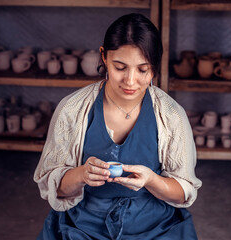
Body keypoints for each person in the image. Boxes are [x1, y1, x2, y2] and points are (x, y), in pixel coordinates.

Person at [34, 13, 202, 240]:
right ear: (103, 56)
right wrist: (82, 174)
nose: (131, 81)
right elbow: (54, 188)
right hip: (84, 225)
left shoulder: (171, 115)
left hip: (153, 226)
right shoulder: (72, 109)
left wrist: (152, 180)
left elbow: (184, 193)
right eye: (120, 67)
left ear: (155, 65)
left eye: (143, 69)